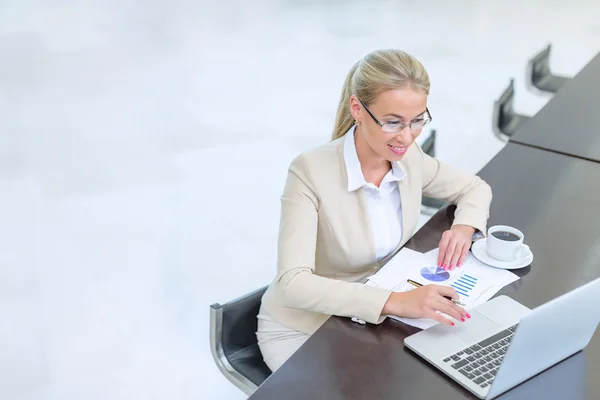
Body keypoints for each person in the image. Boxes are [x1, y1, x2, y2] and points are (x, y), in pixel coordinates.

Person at [256, 49, 492, 372]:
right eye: (393, 122)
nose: (407, 137)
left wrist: (464, 227)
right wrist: (395, 302)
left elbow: (473, 187)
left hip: (371, 325)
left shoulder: (409, 156)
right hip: (305, 329)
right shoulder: (309, 172)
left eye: (417, 120)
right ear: (358, 108)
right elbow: (292, 284)